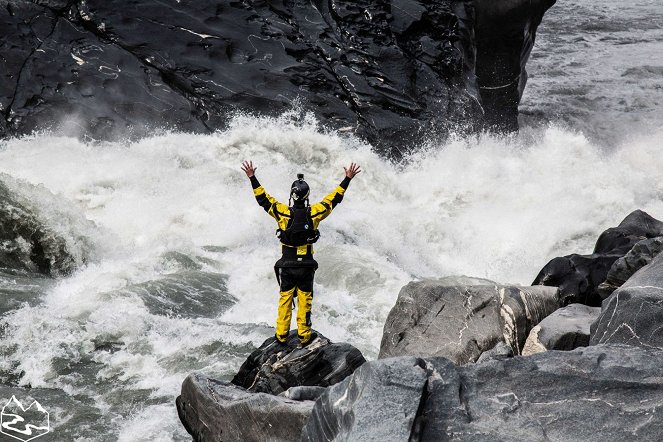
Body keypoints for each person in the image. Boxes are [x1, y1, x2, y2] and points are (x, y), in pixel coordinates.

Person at [241, 160, 361, 346]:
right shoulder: (314, 213)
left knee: (285, 299)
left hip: (287, 266)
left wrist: (252, 177)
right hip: (306, 266)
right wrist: (347, 179)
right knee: (305, 300)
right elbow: (333, 199)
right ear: (307, 196)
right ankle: (304, 335)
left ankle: (281, 335)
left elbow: (263, 200)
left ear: (292, 195)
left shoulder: (282, 213)